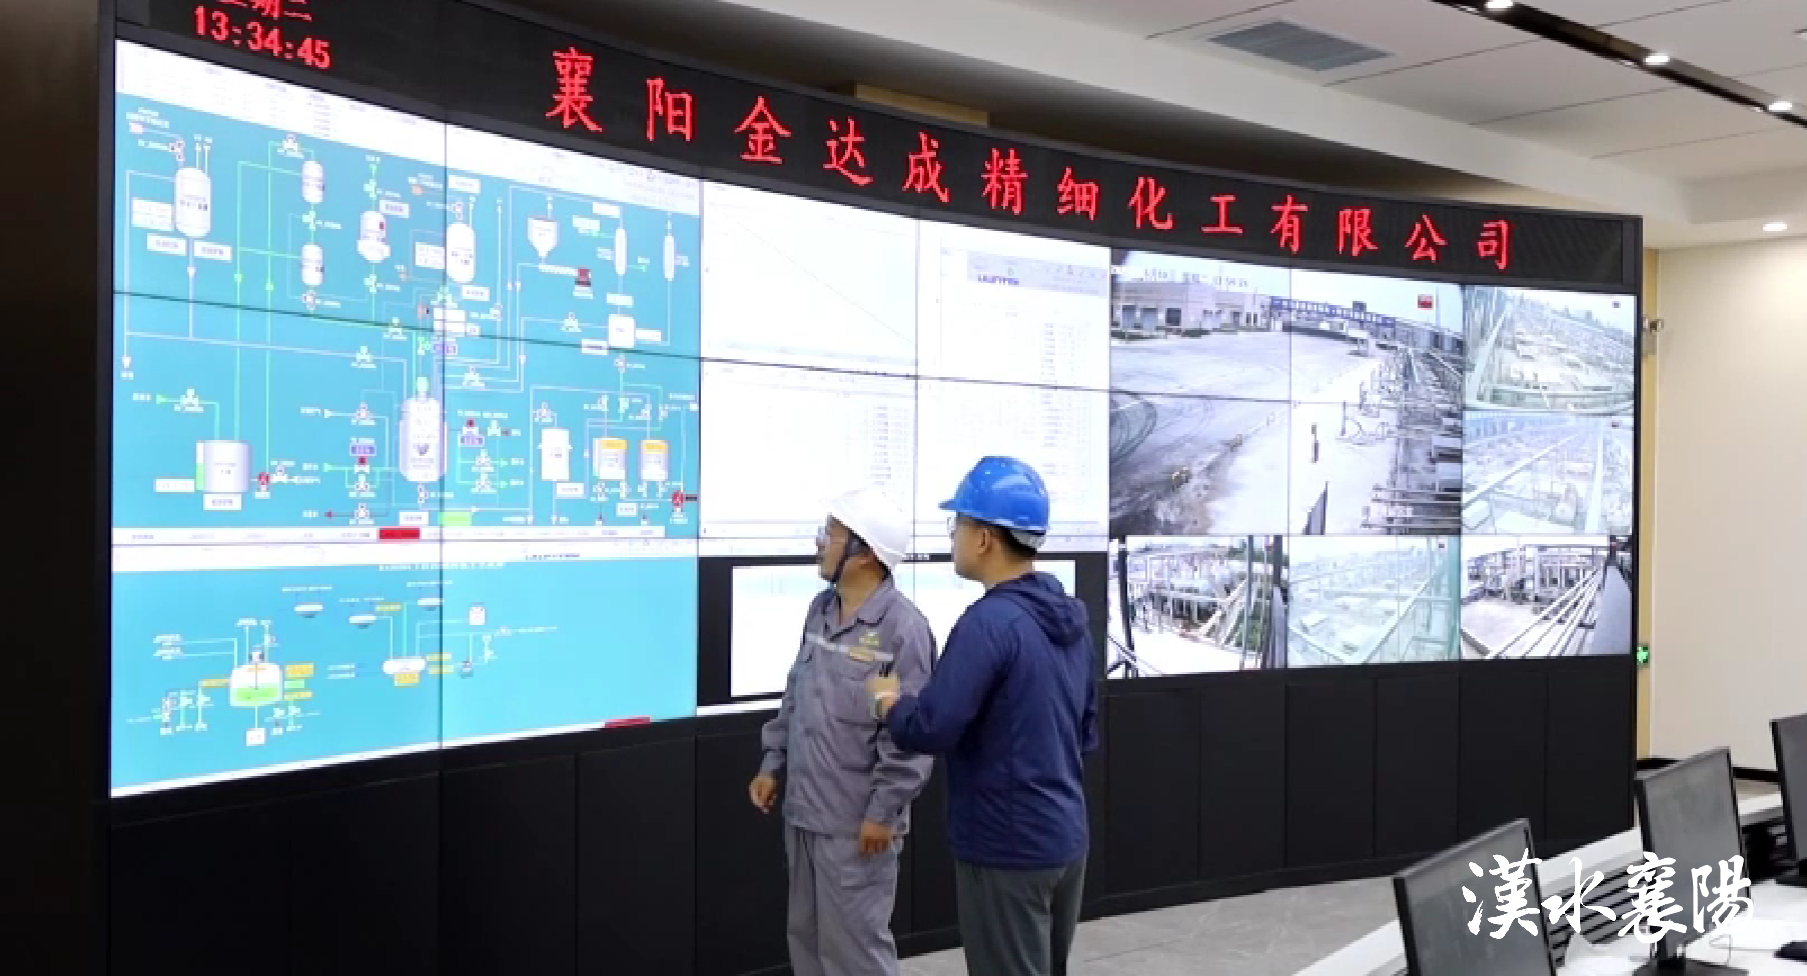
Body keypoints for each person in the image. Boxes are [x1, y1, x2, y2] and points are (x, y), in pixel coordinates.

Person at [866, 457, 1099, 976]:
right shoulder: (1068, 619)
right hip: (1064, 840)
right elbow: (1085, 731)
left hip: (1005, 849)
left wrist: (889, 703)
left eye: (958, 524)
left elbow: (933, 726)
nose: (953, 536)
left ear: (985, 538)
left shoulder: (988, 624)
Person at [748, 488, 935, 976]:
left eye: (831, 534)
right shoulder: (820, 610)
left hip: (857, 829)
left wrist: (882, 812)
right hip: (805, 814)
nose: (820, 543)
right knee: (808, 943)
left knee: (855, 954)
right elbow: (797, 693)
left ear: (865, 552)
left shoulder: (902, 630)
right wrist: (772, 762)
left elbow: (907, 737)